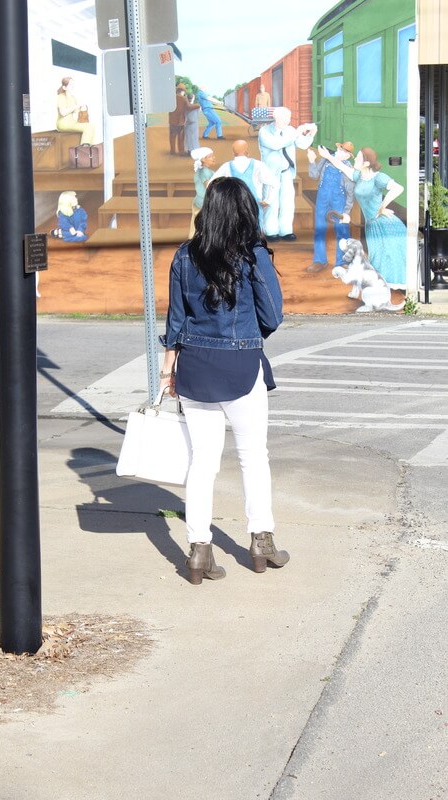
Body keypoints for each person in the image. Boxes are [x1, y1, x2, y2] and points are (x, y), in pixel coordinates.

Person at [159, 177, 289, 584]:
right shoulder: (252, 256)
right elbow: (273, 314)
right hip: (241, 368)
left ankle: (199, 550)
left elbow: (175, 322)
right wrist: (249, 336)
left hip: (194, 369)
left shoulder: (184, 256)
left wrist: (168, 374)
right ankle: (261, 542)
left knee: (202, 462)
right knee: (253, 455)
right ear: (245, 211)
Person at [318, 145, 407, 288]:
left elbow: (398, 188)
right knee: (378, 256)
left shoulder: (379, 178)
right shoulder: (359, 176)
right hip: (372, 224)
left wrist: (382, 207)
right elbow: (341, 166)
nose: (355, 160)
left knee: (386, 258)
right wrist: (328, 156)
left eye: (358, 158)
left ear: (366, 163)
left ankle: (386, 288)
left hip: (383, 224)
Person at [258, 106, 317, 240]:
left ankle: (286, 230)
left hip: (286, 172)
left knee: (287, 201)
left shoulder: (290, 130)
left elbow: (302, 144)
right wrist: (296, 133)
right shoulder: (264, 131)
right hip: (270, 174)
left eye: (288, 118)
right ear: (275, 117)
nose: (286, 121)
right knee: (271, 201)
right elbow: (276, 145)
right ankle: (271, 231)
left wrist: (311, 133)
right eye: (283, 118)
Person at [306, 141, 355, 273]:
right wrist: (312, 161)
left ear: (348, 156)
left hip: (338, 200)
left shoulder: (348, 169)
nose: (340, 153)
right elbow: (313, 175)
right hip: (322, 198)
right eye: (340, 150)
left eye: (344, 152)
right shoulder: (325, 161)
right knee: (319, 229)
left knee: (342, 229)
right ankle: (319, 260)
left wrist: (346, 212)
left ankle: (342, 261)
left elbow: (350, 193)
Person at [208, 139, 278, 228]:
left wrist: (222, 201)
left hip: (232, 206)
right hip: (253, 205)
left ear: (233, 152)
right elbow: (275, 183)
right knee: (254, 231)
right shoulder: (258, 165)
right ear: (246, 150)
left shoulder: (226, 166)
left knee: (234, 231)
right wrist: (268, 200)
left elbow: (211, 184)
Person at [56, 77, 95, 145]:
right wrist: (74, 106)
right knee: (88, 127)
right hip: (63, 124)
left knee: (90, 126)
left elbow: (75, 113)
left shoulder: (73, 98)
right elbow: (63, 113)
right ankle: (84, 148)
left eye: (73, 84)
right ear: (64, 87)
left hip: (72, 123)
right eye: (70, 85)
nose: (72, 86)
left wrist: (81, 109)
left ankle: (89, 147)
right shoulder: (61, 97)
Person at [189, 146, 216, 237]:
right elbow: (210, 187)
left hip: (202, 202)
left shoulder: (204, 171)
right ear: (203, 159)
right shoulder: (205, 172)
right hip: (204, 203)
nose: (213, 158)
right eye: (211, 156)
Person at [169, 83, 199, 156]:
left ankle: (172, 150)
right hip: (180, 121)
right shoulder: (183, 98)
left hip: (172, 120)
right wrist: (197, 105)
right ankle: (181, 150)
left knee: (172, 136)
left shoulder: (172, 98)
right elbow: (189, 107)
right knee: (180, 136)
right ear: (182, 91)